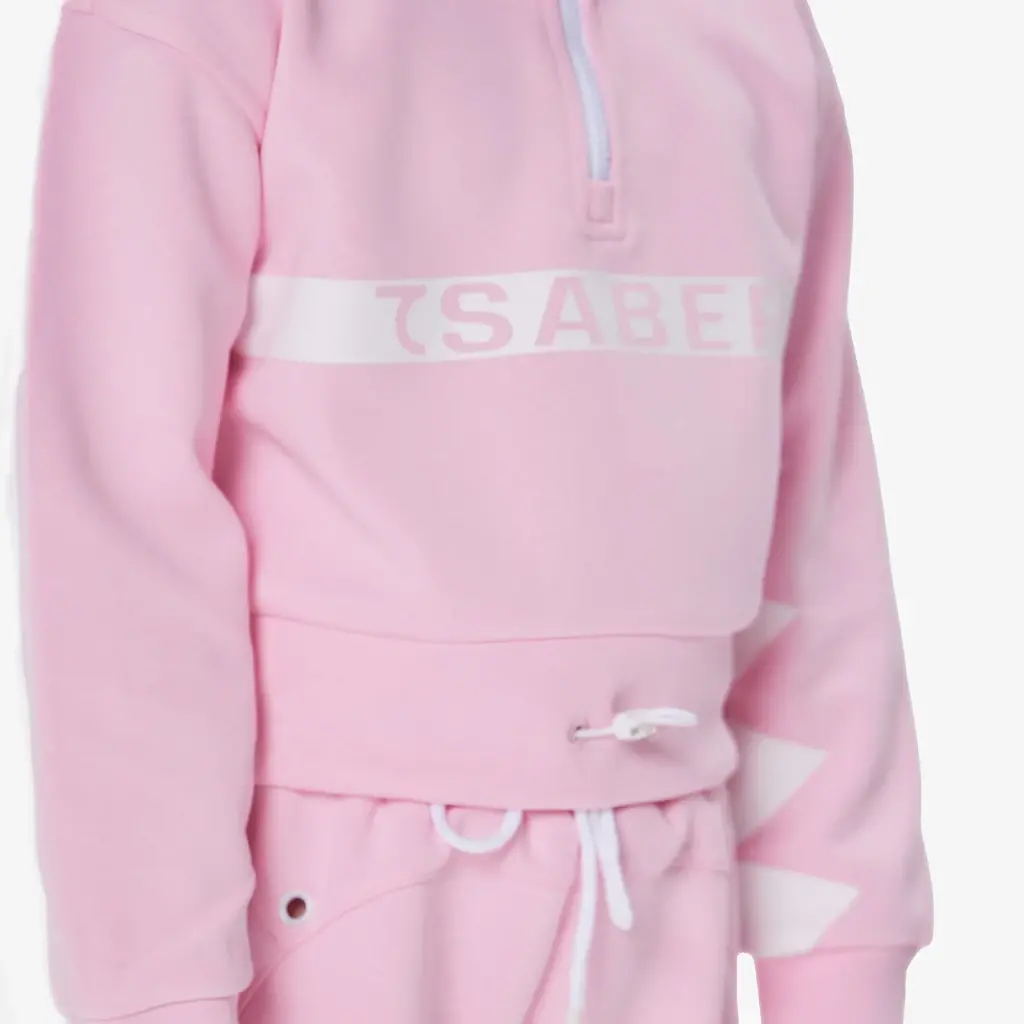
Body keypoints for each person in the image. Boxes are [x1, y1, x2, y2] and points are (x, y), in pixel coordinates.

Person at [18, 1, 933, 1022]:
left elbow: (814, 529)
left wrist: (843, 969)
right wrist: (160, 992)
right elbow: (119, 526)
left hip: (667, 896)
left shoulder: (754, 28)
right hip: (320, 916)